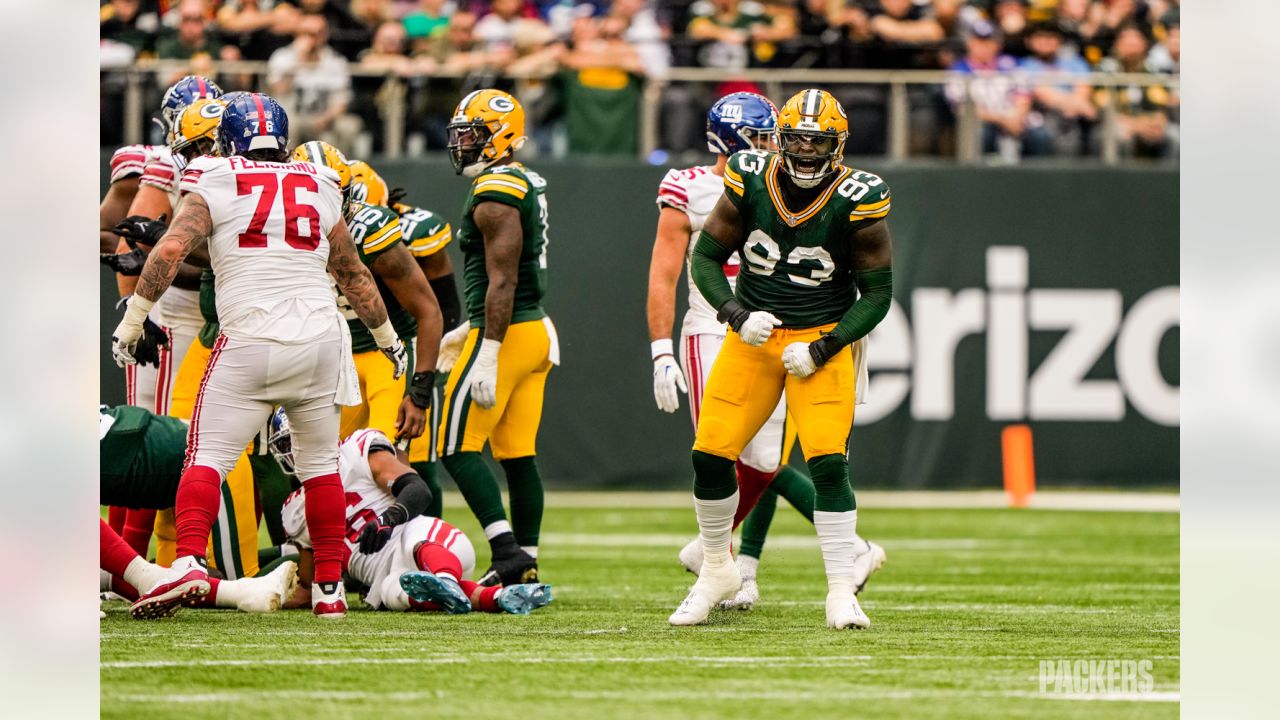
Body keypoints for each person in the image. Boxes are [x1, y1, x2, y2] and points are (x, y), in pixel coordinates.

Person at [112, 93, 407, 619]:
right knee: (319, 470)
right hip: (321, 342)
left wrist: (133, 318)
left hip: (250, 338)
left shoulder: (217, 175)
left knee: (204, 458)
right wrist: (387, 339)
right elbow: (352, 272)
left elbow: (172, 247)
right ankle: (330, 594)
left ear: (229, 138)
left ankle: (187, 566)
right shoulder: (319, 182)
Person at [648, 92, 885, 611]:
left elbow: (879, 292)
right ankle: (720, 568)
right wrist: (725, 319)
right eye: (793, 139)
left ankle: (835, 585)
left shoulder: (858, 193)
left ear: (838, 146)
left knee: (810, 461)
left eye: (816, 141)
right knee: (714, 453)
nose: (803, 151)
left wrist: (826, 345)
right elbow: (697, 261)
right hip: (741, 328)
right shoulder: (743, 177)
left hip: (819, 334)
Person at [112, 94, 280, 582]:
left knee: (188, 446)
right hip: (213, 325)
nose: (187, 156)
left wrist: (150, 265)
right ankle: (147, 564)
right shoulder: (226, 179)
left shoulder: (230, 183)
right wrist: (139, 279)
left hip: (227, 326)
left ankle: (170, 565)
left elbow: (216, 256)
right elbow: (120, 233)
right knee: (177, 443)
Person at [435, 89, 558, 587]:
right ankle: (525, 560)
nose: (462, 143)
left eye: (472, 133)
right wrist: (470, 325)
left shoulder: (496, 192)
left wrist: (485, 348)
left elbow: (503, 280)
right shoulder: (521, 178)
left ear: (499, 135)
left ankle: (506, 551)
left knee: (455, 445)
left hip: (506, 334)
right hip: (532, 331)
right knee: (517, 454)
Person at [273, 413, 554, 614]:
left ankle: (444, 581)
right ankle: (499, 597)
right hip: (387, 577)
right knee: (394, 593)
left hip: (433, 543)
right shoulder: (293, 510)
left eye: (302, 438)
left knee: (414, 540)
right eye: (289, 444)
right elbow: (311, 584)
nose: (298, 450)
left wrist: (387, 520)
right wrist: (267, 595)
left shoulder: (357, 449)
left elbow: (418, 489)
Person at [290, 143, 443, 453]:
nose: (323, 206)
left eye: (333, 195)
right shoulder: (279, 229)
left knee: (382, 459)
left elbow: (428, 311)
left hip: (385, 357)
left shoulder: (367, 229)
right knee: (316, 460)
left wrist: (420, 394)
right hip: (333, 358)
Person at [98, 404, 297, 619]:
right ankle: (261, 577)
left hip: (215, 473)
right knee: (177, 578)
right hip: (177, 477)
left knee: (223, 576)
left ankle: (315, 569)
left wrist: (139, 572)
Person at [267, 14, 364, 152]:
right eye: (306, 33)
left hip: (324, 116)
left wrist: (326, 118)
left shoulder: (335, 61)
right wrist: (299, 61)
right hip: (292, 116)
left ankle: (338, 169)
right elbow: (278, 90)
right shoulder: (282, 56)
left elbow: (342, 100)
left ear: (325, 35)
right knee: (288, 125)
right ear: (297, 34)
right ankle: (285, 166)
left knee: (349, 125)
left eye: (316, 34)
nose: (311, 39)